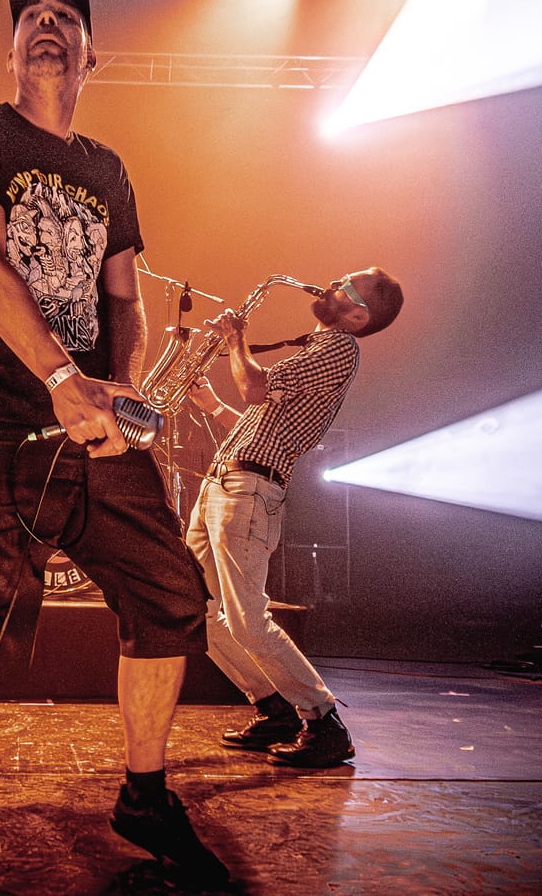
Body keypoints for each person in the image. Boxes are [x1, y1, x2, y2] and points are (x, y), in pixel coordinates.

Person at [0, 0, 225, 894]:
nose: (47, 23)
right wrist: (60, 378)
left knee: (169, 591)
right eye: (31, 13)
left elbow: (125, 297)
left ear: (90, 53)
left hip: (94, 427)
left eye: (65, 15)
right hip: (1, 426)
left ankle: (144, 795)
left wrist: (119, 390)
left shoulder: (106, 170)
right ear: (10, 49)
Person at [184, 267, 404, 769]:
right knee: (197, 613)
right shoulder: (316, 348)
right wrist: (211, 404)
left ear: (358, 316)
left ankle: (324, 721)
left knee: (247, 621)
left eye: (346, 286)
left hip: (248, 491)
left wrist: (235, 341)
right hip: (225, 483)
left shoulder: (339, 347)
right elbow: (258, 427)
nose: (332, 283)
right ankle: (273, 708)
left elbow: (254, 389)